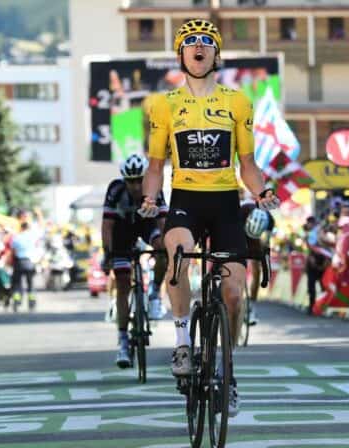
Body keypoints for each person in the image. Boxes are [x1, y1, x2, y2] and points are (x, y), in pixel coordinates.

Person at [138, 18, 279, 417]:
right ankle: (183, 341)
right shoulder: (164, 105)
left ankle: (226, 372)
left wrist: (262, 191)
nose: (198, 48)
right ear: (181, 54)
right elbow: (155, 165)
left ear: (216, 54)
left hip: (225, 203)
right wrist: (151, 198)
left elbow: (248, 165)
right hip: (186, 199)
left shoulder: (238, 102)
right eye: (190, 43)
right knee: (178, 254)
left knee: (233, 293)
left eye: (206, 42)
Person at [101, 154, 168, 369]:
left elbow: (163, 221)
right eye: (131, 181)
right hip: (122, 231)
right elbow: (107, 226)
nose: (136, 186)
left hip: (146, 226)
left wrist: (164, 247)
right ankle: (122, 341)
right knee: (122, 283)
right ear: (124, 180)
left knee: (163, 247)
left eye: (140, 179)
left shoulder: (154, 188)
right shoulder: (115, 190)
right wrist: (108, 254)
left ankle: (155, 292)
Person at [241, 203, 274, 325]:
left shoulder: (269, 220)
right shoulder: (241, 212)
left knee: (257, 269)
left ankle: (251, 307)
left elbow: (265, 244)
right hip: (239, 232)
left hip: (256, 238)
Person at [10, 216, 43, 311]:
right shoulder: (33, 236)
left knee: (17, 284)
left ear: (21, 227)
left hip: (19, 262)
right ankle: (31, 303)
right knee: (31, 283)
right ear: (28, 227)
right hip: (30, 262)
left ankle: (16, 301)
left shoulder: (17, 237)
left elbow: (13, 251)